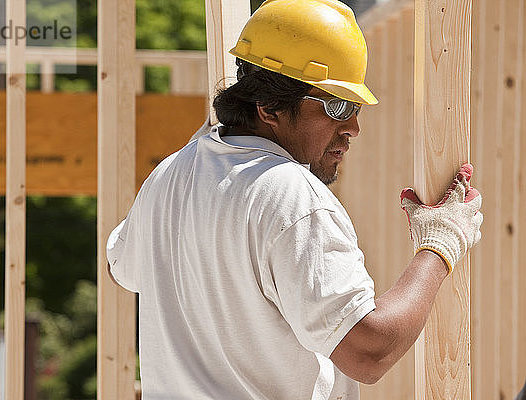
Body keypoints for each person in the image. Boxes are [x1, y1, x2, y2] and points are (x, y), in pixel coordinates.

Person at [106, 0, 483, 398]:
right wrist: (439, 245)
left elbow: (121, 268)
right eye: (337, 106)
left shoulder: (170, 175)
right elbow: (368, 351)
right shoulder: (290, 196)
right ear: (269, 106)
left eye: (353, 107)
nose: (353, 126)